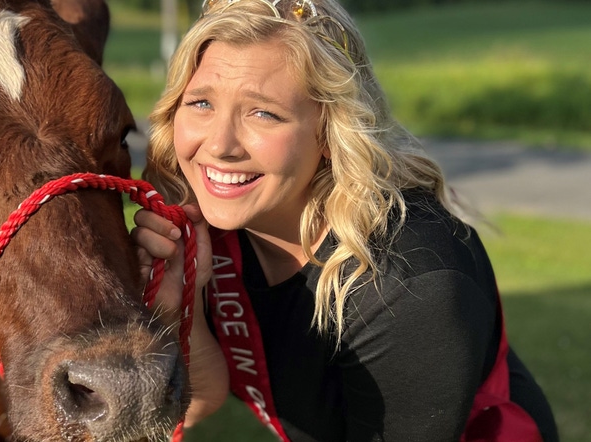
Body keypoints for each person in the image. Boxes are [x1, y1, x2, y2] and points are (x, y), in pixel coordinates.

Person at [130, 0, 558, 440]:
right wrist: (178, 304)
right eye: (201, 102)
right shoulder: (210, 222)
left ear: (331, 132)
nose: (220, 145)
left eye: (263, 113)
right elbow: (200, 401)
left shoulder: (408, 283)